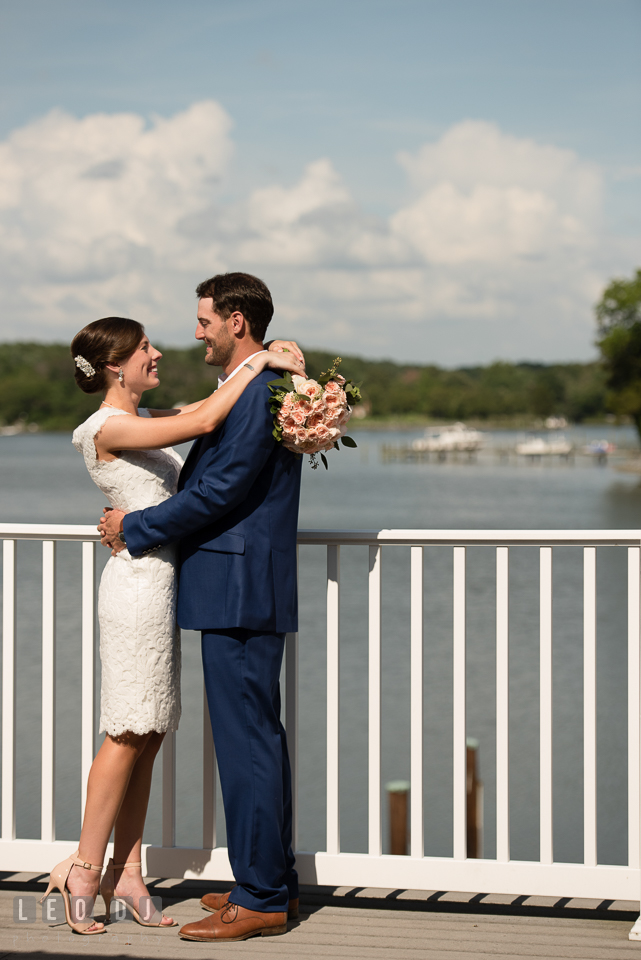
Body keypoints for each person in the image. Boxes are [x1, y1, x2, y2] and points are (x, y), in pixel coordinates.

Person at [39, 311, 304, 936]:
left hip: (165, 587)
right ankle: (84, 867)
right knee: (126, 728)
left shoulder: (148, 421)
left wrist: (263, 367)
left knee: (151, 729)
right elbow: (209, 419)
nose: (157, 353)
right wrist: (260, 362)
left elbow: (210, 412)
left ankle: (128, 872)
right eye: (144, 348)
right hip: (135, 587)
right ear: (115, 365)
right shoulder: (108, 425)